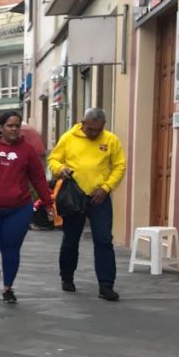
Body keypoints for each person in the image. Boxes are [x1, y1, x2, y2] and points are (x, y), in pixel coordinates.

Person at [0, 110, 54, 304]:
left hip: (18, 209)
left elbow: (38, 179)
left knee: (11, 249)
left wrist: (48, 203)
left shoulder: (28, 151)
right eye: (10, 125)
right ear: (1, 127)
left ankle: (8, 288)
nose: (14, 129)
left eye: (17, 125)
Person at [48, 107, 127, 301]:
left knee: (103, 239)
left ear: (103, 125)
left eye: (98, 130)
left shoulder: (111, 140)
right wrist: (60, 168)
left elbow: (119, 166)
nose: (93, 133)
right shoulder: (68, 138)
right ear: (83, 123)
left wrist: (106, 187)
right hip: (74, 195)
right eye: (90, 129)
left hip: (99, 197)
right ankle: (67, 277)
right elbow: (53, 159)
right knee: (71, 239)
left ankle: (106, 286)